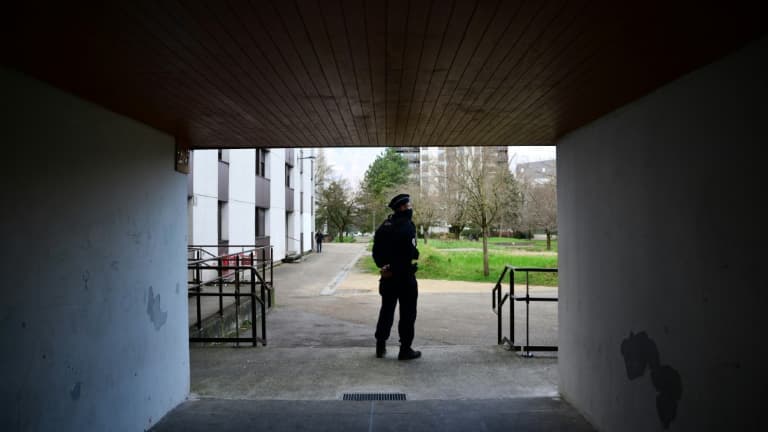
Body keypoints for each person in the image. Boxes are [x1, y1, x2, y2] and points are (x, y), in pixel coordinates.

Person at [372, 193, 421, 360]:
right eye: (408, 205)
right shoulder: (408, 226)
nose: (410, 208)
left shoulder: (384, 226)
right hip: (404, 276)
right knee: (407, 313)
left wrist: (383, 266)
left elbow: (376, 251)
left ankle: (380, 346)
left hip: (388, 277)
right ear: (401, 207)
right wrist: (416, 254)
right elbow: (410, 251)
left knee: (386, 311)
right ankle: (405, 349)